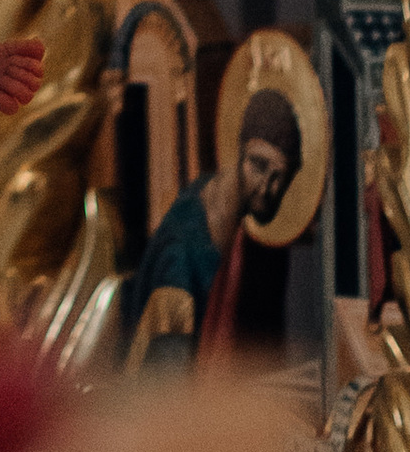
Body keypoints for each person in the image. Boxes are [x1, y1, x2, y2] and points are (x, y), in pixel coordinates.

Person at [122, 86, 303, 371]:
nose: (266, 188)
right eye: (258, 166)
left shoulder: (228, 212)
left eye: (279, 177)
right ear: (238, 152)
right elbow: (164, 383)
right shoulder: (180, 260)